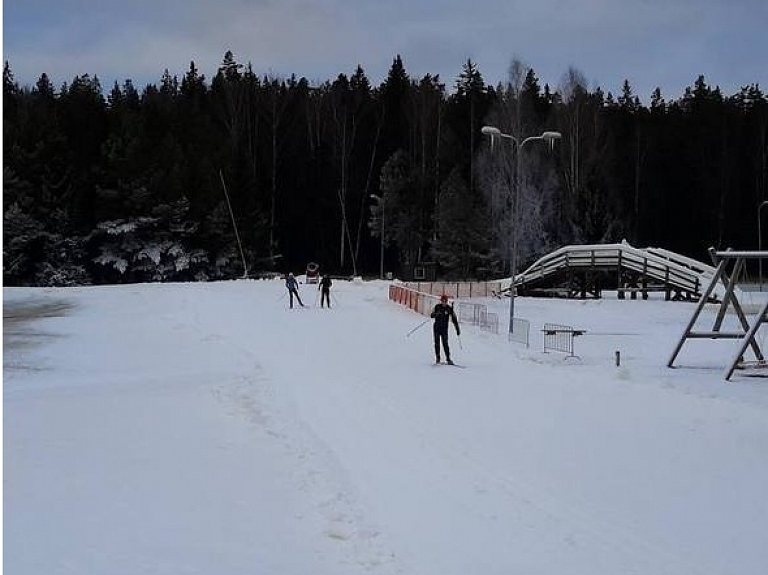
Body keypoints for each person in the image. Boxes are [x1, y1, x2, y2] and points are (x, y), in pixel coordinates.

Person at [430, 294, 460, 364]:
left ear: (447, 301)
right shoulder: (437, 307)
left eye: (445, 301)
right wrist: (436, 314)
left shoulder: (449, 308)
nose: (444, 302)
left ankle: (448, 358)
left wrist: (457, 329)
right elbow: (431, 315)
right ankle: (438, 358)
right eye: (442, 301)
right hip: (436, 328)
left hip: (444, 329)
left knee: (445, 343)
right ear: (441, 301)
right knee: (437, 343)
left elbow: (454, 319)